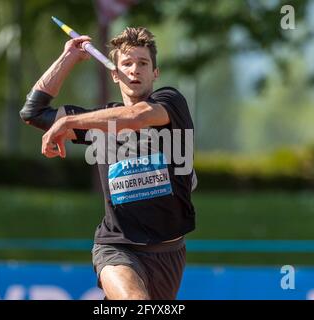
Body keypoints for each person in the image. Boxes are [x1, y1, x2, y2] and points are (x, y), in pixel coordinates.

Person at [20, 27, 196, 300]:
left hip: (168, 252)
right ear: (115, 74)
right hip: (116, 247)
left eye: (143, 63)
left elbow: (136, 117)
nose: (135, 70)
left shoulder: (171, 103)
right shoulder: (99, 122)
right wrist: (68, 57)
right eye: (126, 64)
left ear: (155, 73)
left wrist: (67, 121)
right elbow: (33, 112)